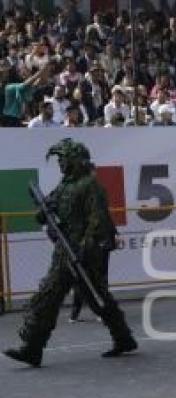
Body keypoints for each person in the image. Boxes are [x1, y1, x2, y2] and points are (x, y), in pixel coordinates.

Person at [4, 139, 137, 367]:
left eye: (64, 159)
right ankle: (32, 348)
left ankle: (123, 338)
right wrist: (43, 212)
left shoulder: (90, 185)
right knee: (48, 296)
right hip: (63, 253)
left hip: (83, 253)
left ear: (76, 160)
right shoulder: (64, 185)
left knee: (98, 299)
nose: (61, 164)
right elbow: (48, 208)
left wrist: (85, 247)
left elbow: (98, 221)